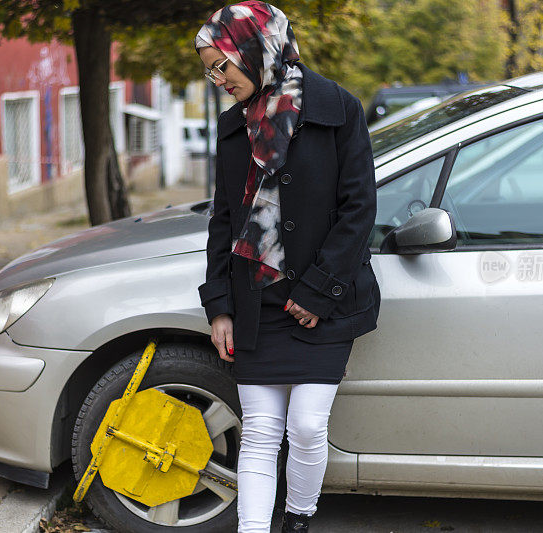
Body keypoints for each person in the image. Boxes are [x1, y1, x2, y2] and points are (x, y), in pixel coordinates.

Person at [195, 2, 381, 531]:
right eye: (210, 69)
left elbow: (359, 208)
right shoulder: (234, 128)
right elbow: (225, 220)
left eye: (221, 66)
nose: (217, 80)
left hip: (324, 305)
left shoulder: (339, 109)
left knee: (304, 426)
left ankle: (299, 519)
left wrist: (319, 291)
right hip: (256, 305)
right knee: (258, 432)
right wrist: (220, 307)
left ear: (254, 51)